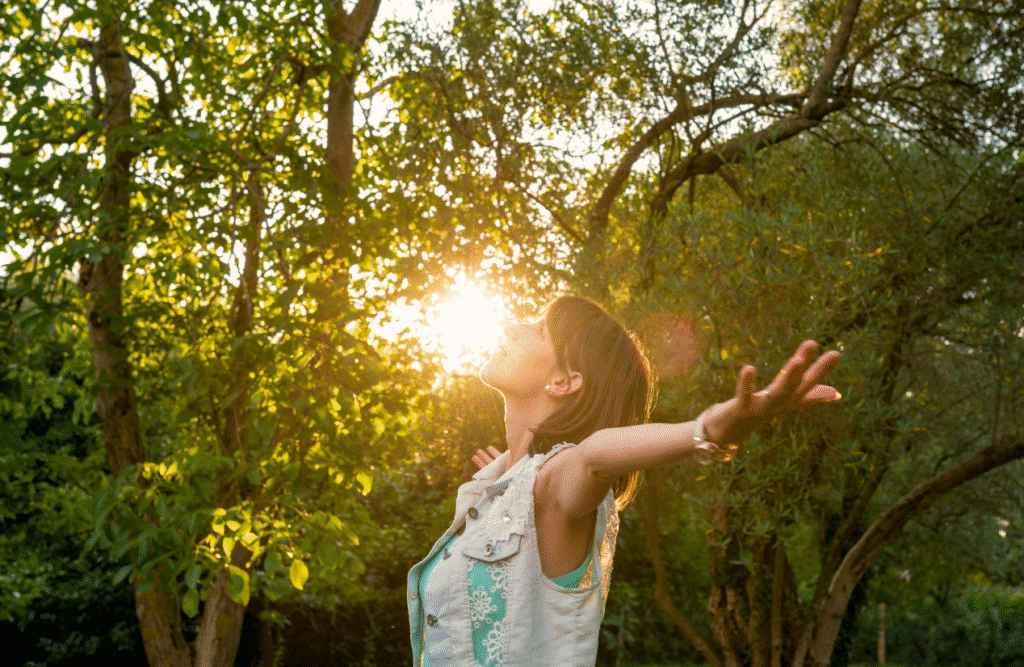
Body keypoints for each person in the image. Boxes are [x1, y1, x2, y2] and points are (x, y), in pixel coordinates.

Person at [407, 296, 841, 667]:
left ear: (563, 381)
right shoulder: (495, 490)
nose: (513, 326)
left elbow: (593, 456)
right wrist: (500, 483)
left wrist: (706, 429)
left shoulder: (554, 483)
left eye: (539, 329)